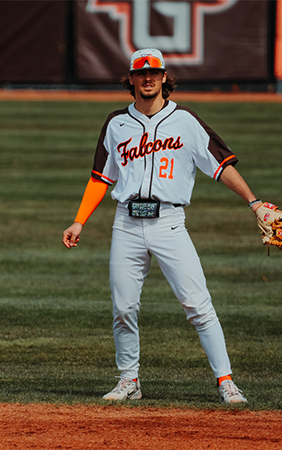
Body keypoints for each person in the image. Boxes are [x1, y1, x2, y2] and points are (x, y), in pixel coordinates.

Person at [63, 48, 265, 404]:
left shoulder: (186, 121)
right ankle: (129, 381)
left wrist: (254, 202)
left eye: (153, 73)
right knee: (123, 308)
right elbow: (100, 178)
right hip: (125, 224)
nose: (147, 79)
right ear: (131, 80)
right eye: (140, 74)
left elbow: (220, 166)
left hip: (170, 224)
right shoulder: (115, 124)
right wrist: (80, 220)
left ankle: (226, 381)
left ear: (164, 77)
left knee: (198, 305)